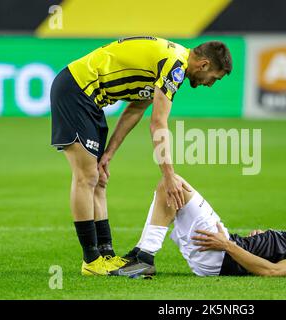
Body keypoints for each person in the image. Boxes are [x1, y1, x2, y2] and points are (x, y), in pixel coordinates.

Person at [50, 36, 233, 275]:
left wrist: (109, 154)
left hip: (90, 102)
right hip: (76, 93)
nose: (210, 84)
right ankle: (91, 261)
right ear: (205, 64)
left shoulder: (170, 61)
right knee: (86, 178)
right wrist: (168, 175)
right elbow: (158, 124)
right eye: (214, 79)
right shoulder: (174, 66)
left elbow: (135, 109)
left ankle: (105, 255)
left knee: (99, 178)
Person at [111, 176, 286, 278]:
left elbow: (272, 271)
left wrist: (226, 244)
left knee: (173, 185)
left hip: (219, 252)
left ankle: (144, 258)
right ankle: (142, 256)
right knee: (170, 193)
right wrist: (266, 240)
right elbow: (278, 255)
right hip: (224, 249)